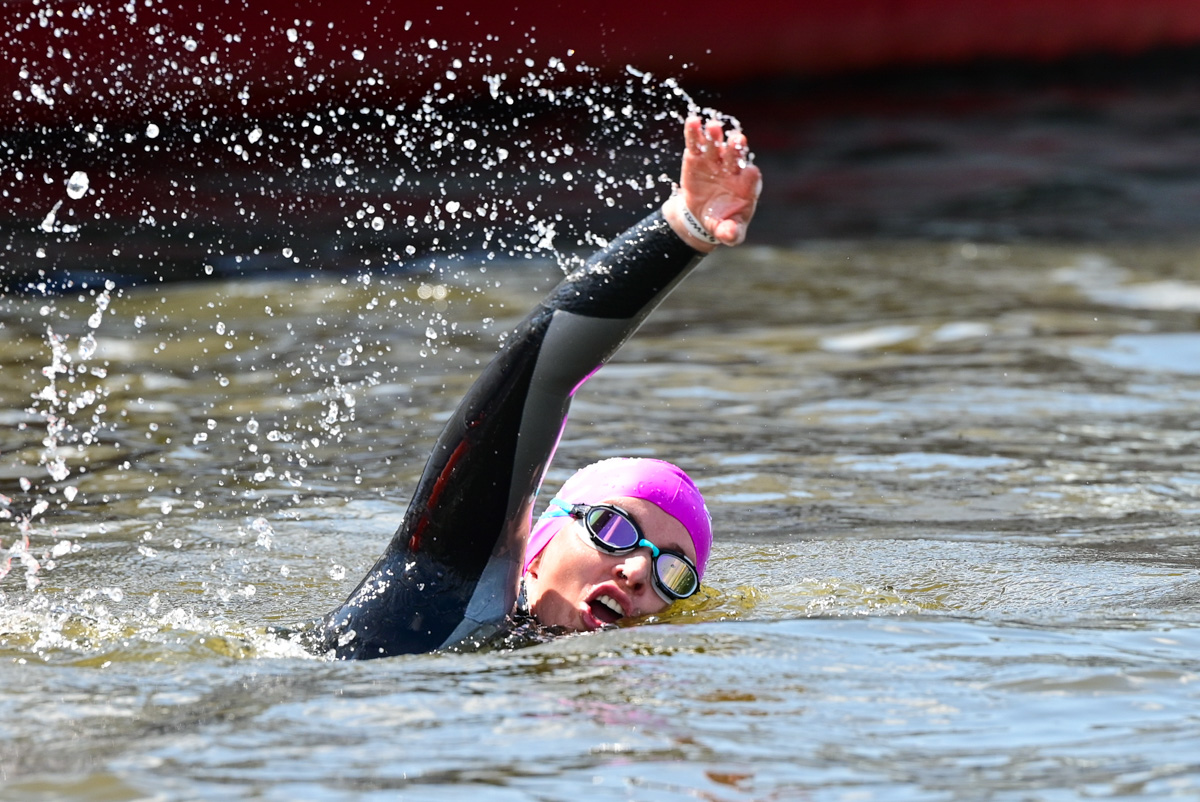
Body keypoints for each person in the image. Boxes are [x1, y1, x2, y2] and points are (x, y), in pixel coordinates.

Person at [309, 116, 761, 659]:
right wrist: (683, 228)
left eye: (675, 572)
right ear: (537, 548)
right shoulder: (441, 590)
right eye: (612, 527)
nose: (639, 570)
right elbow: (538, 373)